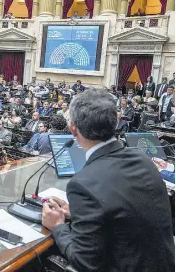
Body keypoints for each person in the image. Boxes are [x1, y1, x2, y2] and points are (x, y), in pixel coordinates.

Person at [42, 88, 174, 271]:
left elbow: (85, 262)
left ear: (73, 129)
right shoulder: (143, 160)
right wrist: (79, 214)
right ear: (116, 122)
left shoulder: (83, 184)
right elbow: (124, 214)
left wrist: (57, 225)